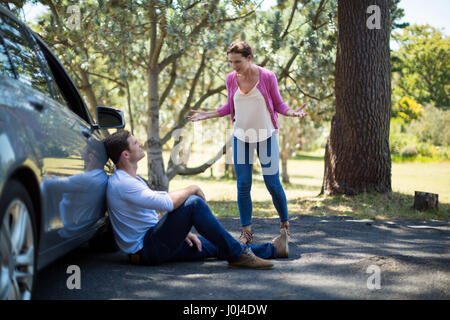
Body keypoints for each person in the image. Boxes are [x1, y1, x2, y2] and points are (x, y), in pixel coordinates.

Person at [103, 130, 289, 269]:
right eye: (135, 143)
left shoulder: (128, 180)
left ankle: (274, 249)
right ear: (126, 155)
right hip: (146, 250)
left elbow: (154, 209)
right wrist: (192, 188)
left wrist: (180, 232)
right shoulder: (123, 184)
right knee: (193, 204)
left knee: (218, 244)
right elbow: (165, 203)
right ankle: (240, 257)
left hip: (153, 242)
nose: (141, 144)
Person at [188, 41, 307, 245]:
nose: (234, 66)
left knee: (273, 184)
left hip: (266, 136)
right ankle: (246, 233)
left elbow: (278, 104)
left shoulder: (267, 76)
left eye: (238, 62)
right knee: (243, 185)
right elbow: (229, 106)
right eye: (231, 62)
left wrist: (291, 112)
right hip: (241, 137)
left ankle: (284, 225)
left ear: (249, 58)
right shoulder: (231, 79)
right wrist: (207, 114)